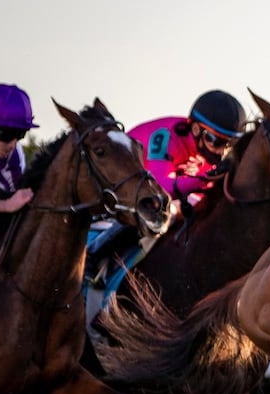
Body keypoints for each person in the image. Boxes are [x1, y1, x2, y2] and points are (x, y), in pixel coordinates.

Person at [86, 90, 246, 284]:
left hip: (144, 193)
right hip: (118, 190)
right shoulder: (166, 136)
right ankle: (95, 253)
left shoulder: (205, 154)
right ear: (195, 129)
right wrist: (205, 178)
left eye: (229, 144)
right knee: (160, 207)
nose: (221, 152)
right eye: (216, 141)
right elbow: (160, 187)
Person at [0, 83, 38, 257]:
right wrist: (4, 205)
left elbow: (16, 197)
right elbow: (8, 204)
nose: (12, 144)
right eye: (6, 133)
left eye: (20, 134)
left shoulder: (13, 157)